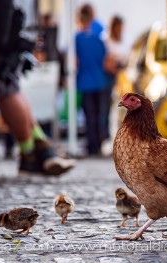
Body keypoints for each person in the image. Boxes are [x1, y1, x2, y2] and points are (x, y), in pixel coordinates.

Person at [0, 0, 75, 175]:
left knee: (8, 87)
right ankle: (35, 151)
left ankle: (34, 151)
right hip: (8, 31)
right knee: (8, 88)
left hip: (8, 31)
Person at [75, 5, 107, 156]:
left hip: (85, 82)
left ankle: (91, 145)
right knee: (99, 114)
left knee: (89, 115)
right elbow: (105, 59)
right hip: (99, 81)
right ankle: (98, 144)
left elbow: (75, 61)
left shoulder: (77, 39)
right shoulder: (98, 38)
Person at [101, 16, 128, 153]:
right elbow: (107, 62)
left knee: (120, 110)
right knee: (109, 109)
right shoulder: (106, 40)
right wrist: (117, 67)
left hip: (121, 79)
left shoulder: (122, 40)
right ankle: (109, 138)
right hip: (110, 78)